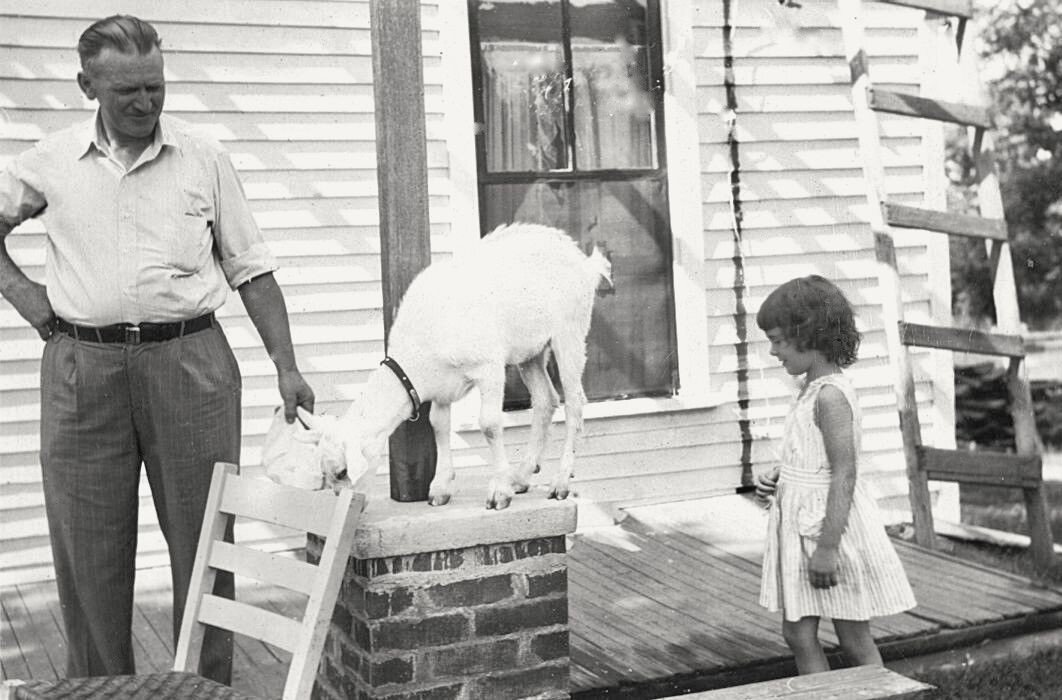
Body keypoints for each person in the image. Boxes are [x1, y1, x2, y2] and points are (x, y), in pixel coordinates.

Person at [0, 15, 314, 682]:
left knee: (206, 546)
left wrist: (286, 365)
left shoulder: (204, 158)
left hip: (190, 361)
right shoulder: (49, 163)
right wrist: (26, 297)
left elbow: (251, 269)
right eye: (126, 93)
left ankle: (201, 691)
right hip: (82, 369)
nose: (144, 105)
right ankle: (100, 690)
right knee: (89, 550)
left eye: (155, 88)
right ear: (88, 86)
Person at [753, 275, 916, 674]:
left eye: (778, 341)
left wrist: (827, 549)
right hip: (802, 526)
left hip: (829, 532)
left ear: (808, 335)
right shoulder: (810, 388)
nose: (773, 351)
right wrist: (783, 473)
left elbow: (844, 474)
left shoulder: (831, 395)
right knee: (797, 633)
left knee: (853, 638)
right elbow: (815, 456)